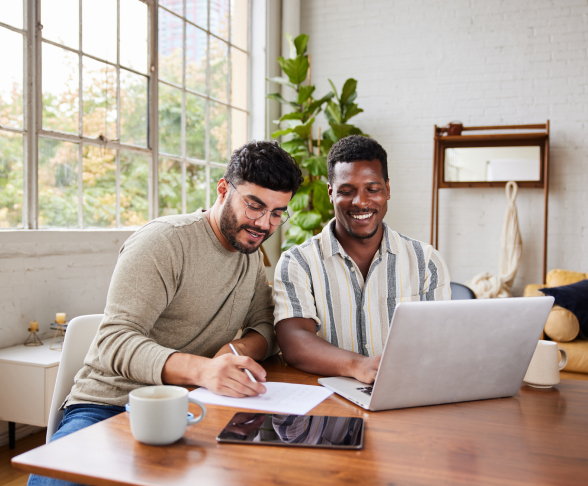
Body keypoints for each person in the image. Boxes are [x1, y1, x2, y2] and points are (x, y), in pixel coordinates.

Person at [29, 141, 303, 486]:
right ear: (223, 189)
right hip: (113, 402)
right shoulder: (164, 243)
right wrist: (203, 370)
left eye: (277, 212)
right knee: (56, 482)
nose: (264, 224)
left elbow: (266, 323)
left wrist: (236, 351)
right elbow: (115, 339)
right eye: (254, 206)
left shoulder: (248, 255)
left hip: (190, 403)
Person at [273, 135, 451, 384]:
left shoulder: (426, 261)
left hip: (404, 393)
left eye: (373, 189)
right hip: (326, 404)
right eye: (346, 191)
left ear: (387, 190)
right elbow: (294, 341)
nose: (361, 202)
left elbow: (439, 340)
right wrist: (358, 366)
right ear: (331, 193)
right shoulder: (298, 263)